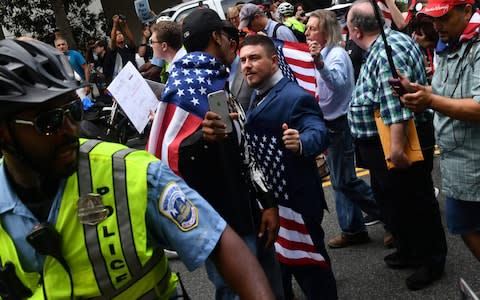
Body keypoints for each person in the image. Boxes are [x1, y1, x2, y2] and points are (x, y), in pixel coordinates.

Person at [0, 37, 274, 300]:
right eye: (49, 122)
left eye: (73, 111)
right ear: (4, 134)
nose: (71, 130)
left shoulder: (130, 173)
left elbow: (220, 243)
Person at [147, 9, 285, 299]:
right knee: (235, 291)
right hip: (222, 222)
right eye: (227, 35)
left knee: (270, 288)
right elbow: (169, 156)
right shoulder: (185, 87)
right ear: (216, 37)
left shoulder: (217, 77)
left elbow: (244, 147)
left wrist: (267, 203)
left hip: (251, 211)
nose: (232, 42)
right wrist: (203, 139)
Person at [346, 0, 447, 290]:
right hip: (381, 143)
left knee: (416, 201)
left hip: (395, 142)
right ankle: (410, 250)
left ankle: (431, 261)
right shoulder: (383, 45)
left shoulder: (391, 48)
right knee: (395, 202)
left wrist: (397, 149)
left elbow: (395, 102)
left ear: (354, 31)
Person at [240, 34, 337, 300]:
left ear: (273, 62)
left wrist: (301, 142)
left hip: (297, 205)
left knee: (312, 272)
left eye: (254, 58)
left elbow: (318, 131)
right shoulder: (258, 93)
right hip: (273, 205)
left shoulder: (294, 97)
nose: (246, 65)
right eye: (243, 60)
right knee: (280, 273)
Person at [400, 0, 480, 261]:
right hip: (456, 161)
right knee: (463, 225)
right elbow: (449, 93)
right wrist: (421, 90)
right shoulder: (448, 43)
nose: (436, 26)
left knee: (467, 225)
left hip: (474, 160)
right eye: (432, 19)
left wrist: (431, 101)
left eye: (443, 18)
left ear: (467, 11)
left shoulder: (476, 46)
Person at [305, 9, 379, 248]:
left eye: (313, 27)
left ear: (326, 30)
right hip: (329, 123)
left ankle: (391, 215)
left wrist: (319, 64)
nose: (307, 31)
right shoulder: (323, 53)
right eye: (307, 27)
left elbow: (337, 84)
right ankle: (353, 228)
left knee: (345, 180)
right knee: (339, 180)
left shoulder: (334, 55)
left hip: (341, 123)